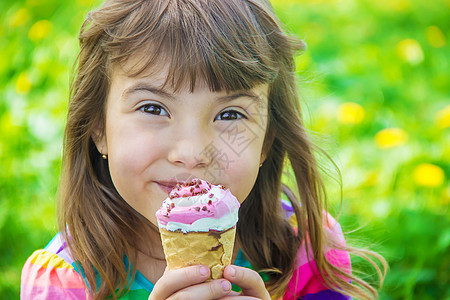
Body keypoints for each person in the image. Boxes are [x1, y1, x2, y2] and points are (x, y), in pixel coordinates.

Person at [21, 0, 387, 299]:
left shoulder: (302, 246)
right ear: (98, 128)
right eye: (153, 108)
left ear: (267, 141)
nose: (193, 152)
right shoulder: (65, 283)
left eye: (229, 114)